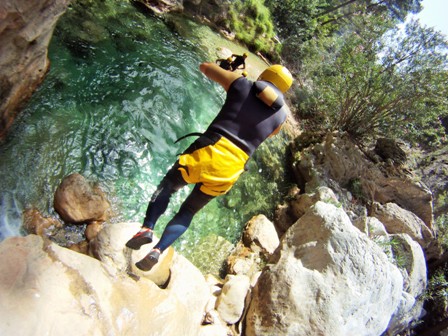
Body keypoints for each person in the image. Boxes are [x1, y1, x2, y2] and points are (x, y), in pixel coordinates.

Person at [125, 62, 293, 272]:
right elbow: (268, 129)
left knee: (168, 185)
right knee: (188, 211)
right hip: (231, 169)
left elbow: (205, 67)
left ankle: (147, 228)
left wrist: (234, 76)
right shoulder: (281, 118)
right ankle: (157, 251)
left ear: (264, 74)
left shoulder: (241, 85)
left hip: (208, 150)